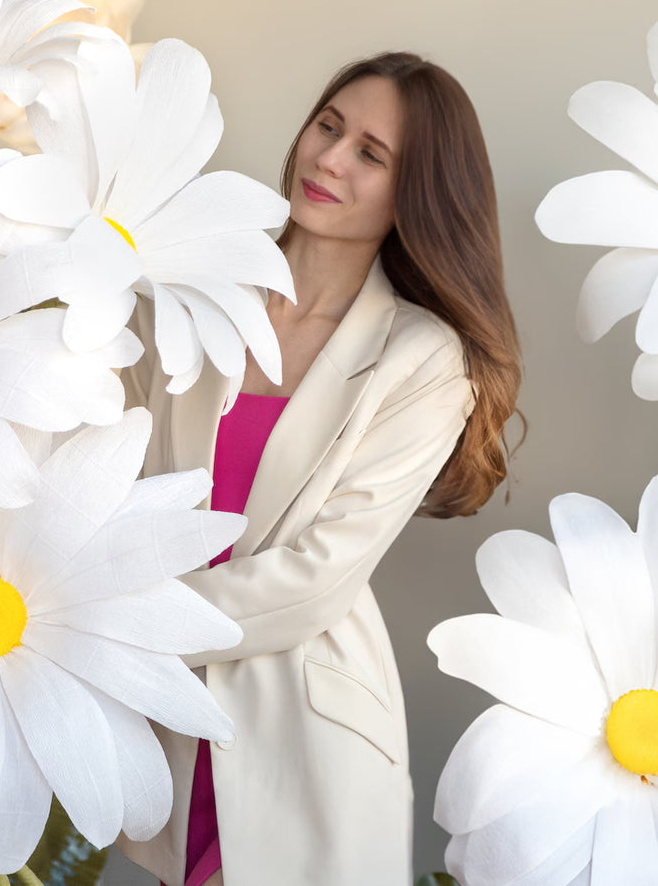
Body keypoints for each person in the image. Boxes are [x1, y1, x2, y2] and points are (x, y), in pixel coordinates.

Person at [116, 52, 523, 885]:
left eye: (370, 154)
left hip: (298, 725)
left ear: (417, 192)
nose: (328, 159)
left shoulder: (420, 358)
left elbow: (315, 577)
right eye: (327, 126)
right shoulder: (189, 293)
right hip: (159, 716)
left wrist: (118, 626)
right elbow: (98, 464)